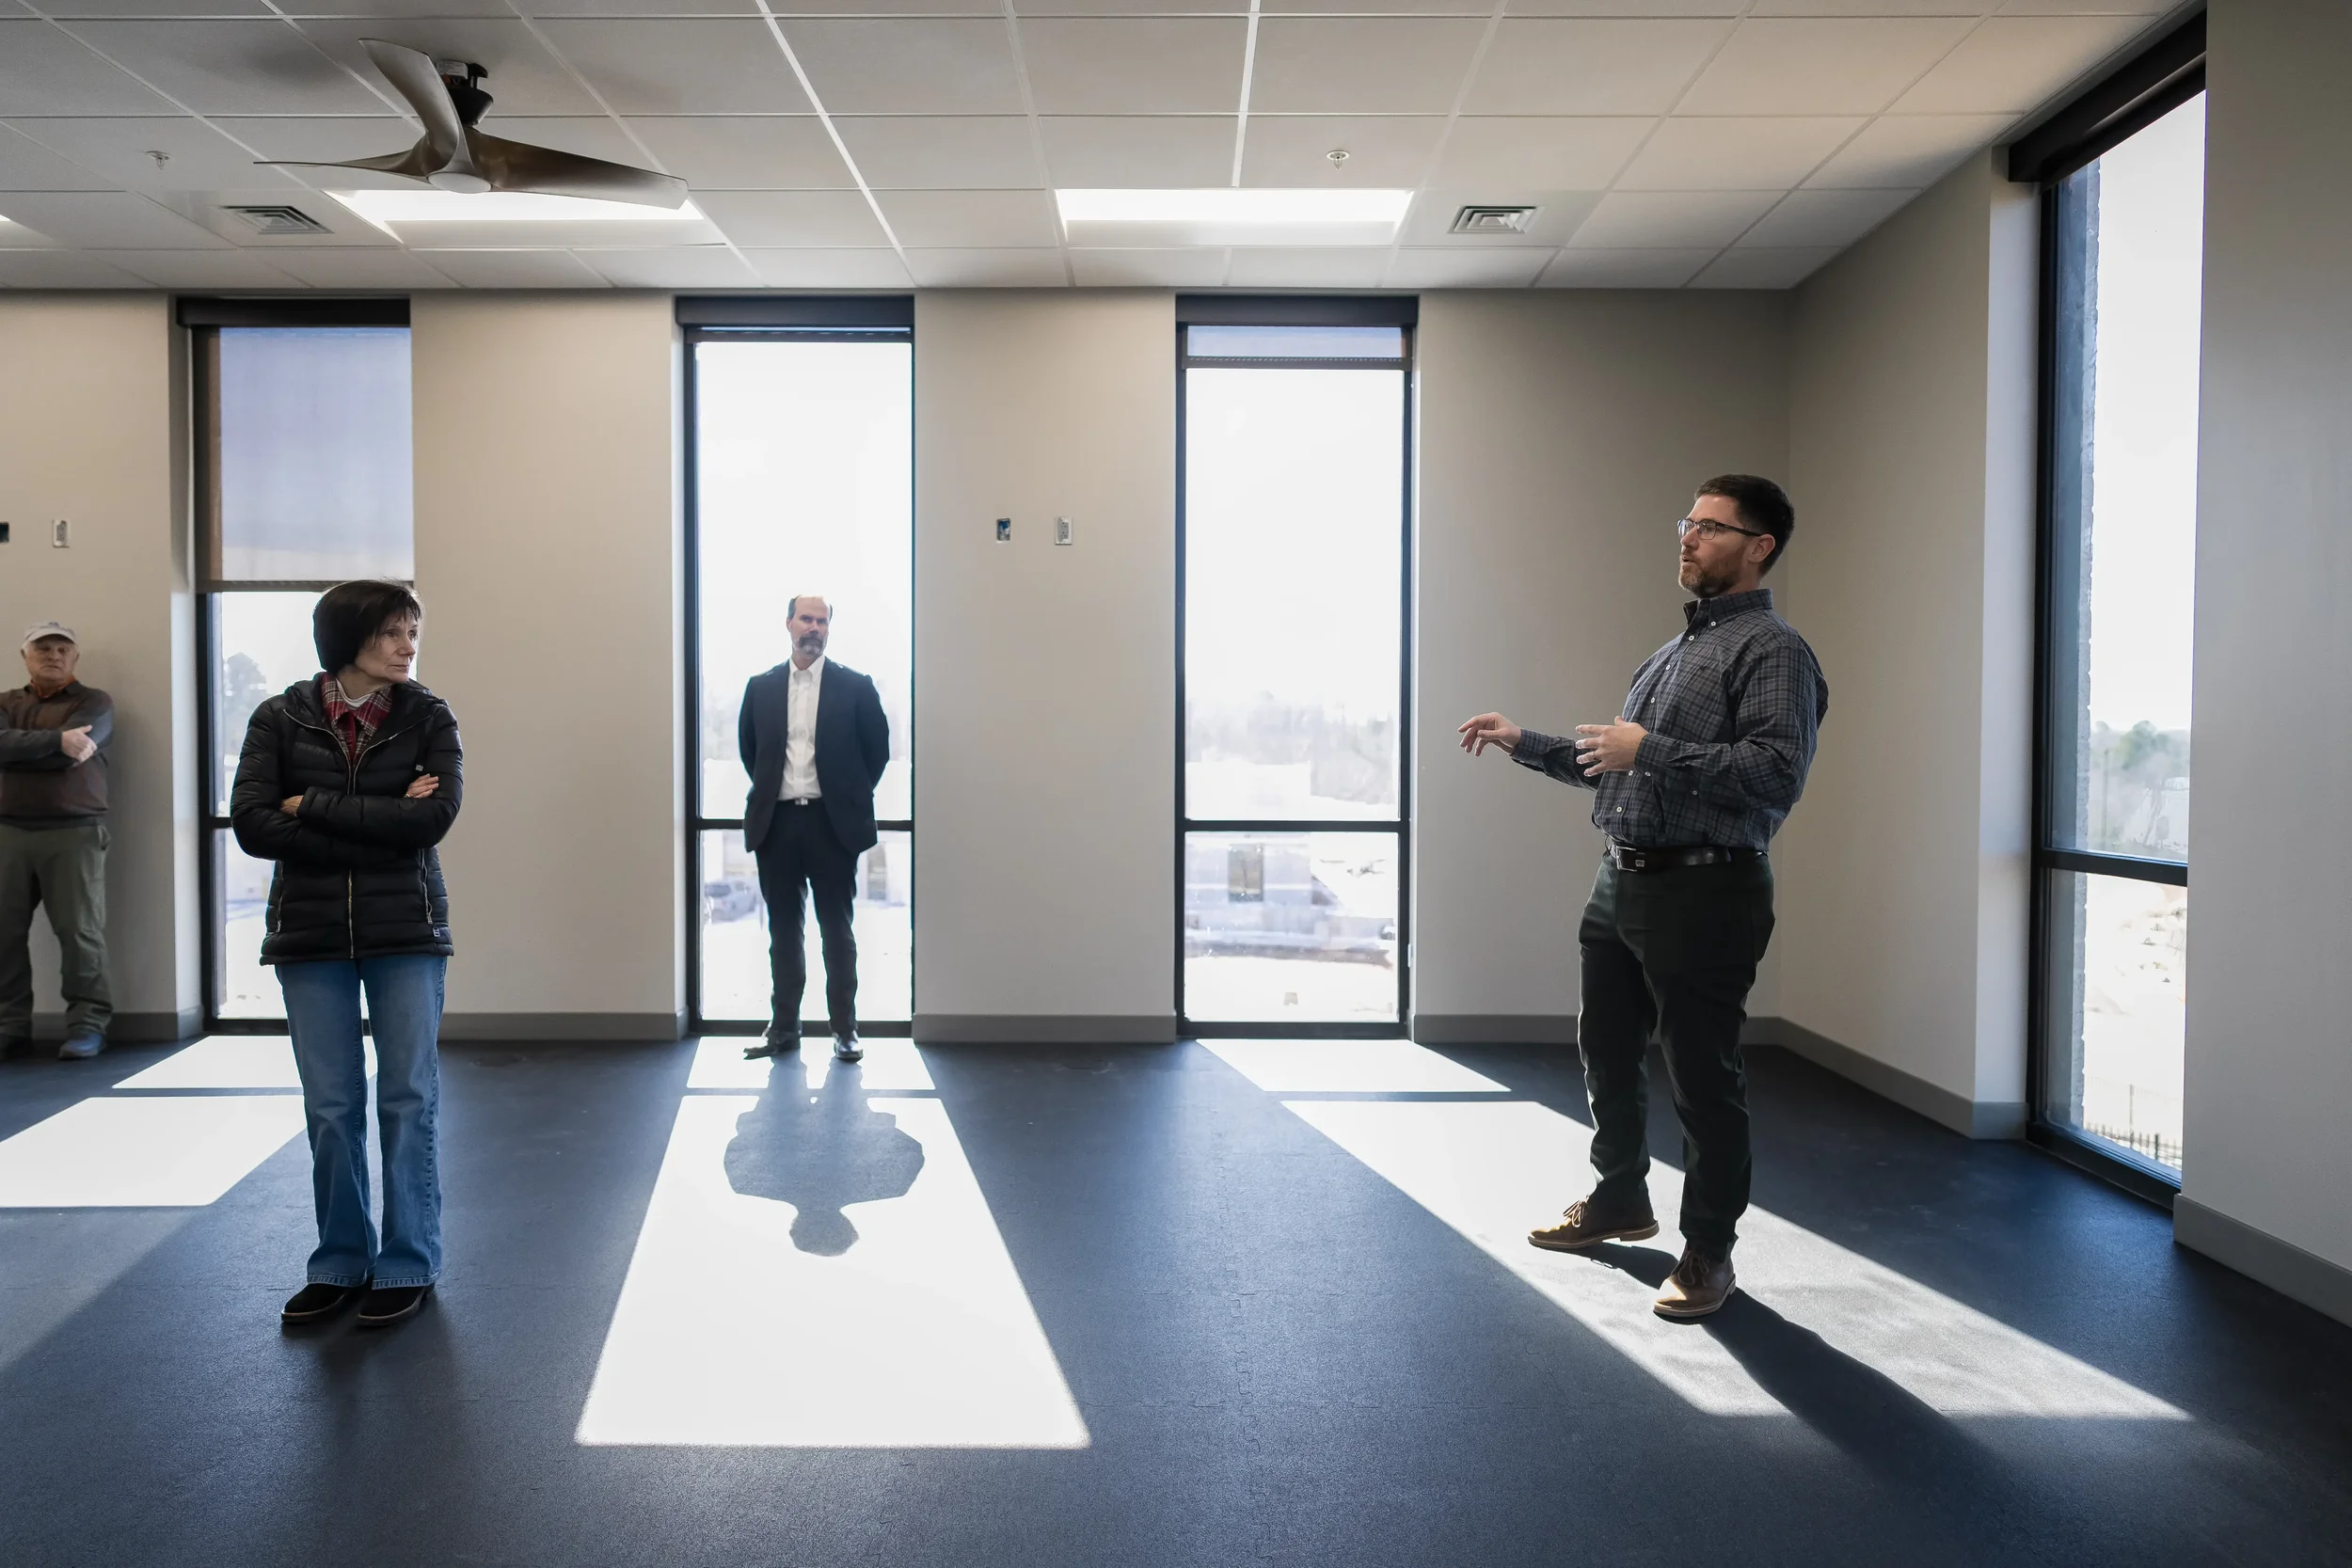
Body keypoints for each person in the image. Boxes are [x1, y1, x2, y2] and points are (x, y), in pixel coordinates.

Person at [1458, 475, 1827, 1322]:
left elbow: (1776, 774)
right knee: (1607, 1052)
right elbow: (1609, 762)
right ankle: (1621, 1196)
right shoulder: (1672, 653)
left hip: (1708, 887)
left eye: (1708, 526)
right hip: (1619, 879)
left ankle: (1709, 1250)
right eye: (1686, 523)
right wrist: (1525, 741)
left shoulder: (1773, 651)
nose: (1687, 538)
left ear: (1758, 546)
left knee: (1703, 1075)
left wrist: (1650, 747)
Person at [232, 581, 462, 1331]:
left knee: (407, 1099)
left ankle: (407, 1260)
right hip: (310, 934)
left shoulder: (428, 715)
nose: (408, 645)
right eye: (393, 632)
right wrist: (382, 820)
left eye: (411, 631)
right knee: (331, 1107)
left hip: (407, 931)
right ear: (348, 636)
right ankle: (339, 1259)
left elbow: (433, 817)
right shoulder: (279, 716)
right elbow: (254, 824)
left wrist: (316, 805)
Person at [737, 594, 889, 1066]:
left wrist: (846, 799)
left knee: (836, 932)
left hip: (831, 826)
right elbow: (751, 752)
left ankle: (845, 1031)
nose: (815, 628)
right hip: (778, 825)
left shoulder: (855, 687)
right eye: (807, 619)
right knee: (783, 933)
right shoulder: (760, 688)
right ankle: (784, 1028)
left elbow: (876, 753)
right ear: (788, 624)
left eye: (823, 621)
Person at [0, 624, 114, 1061]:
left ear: (75, 658)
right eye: (42, 648)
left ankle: (88, 1026)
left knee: (80, 933)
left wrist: (21, 750)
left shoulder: (94, 702)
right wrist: (54, 742)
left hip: (75, 832)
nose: (53, 655)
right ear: (24, 655)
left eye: (62, 648)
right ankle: (10, 1026)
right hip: (8, 831)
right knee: (4, 935)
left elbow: (80, 750)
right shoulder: (6, 702)